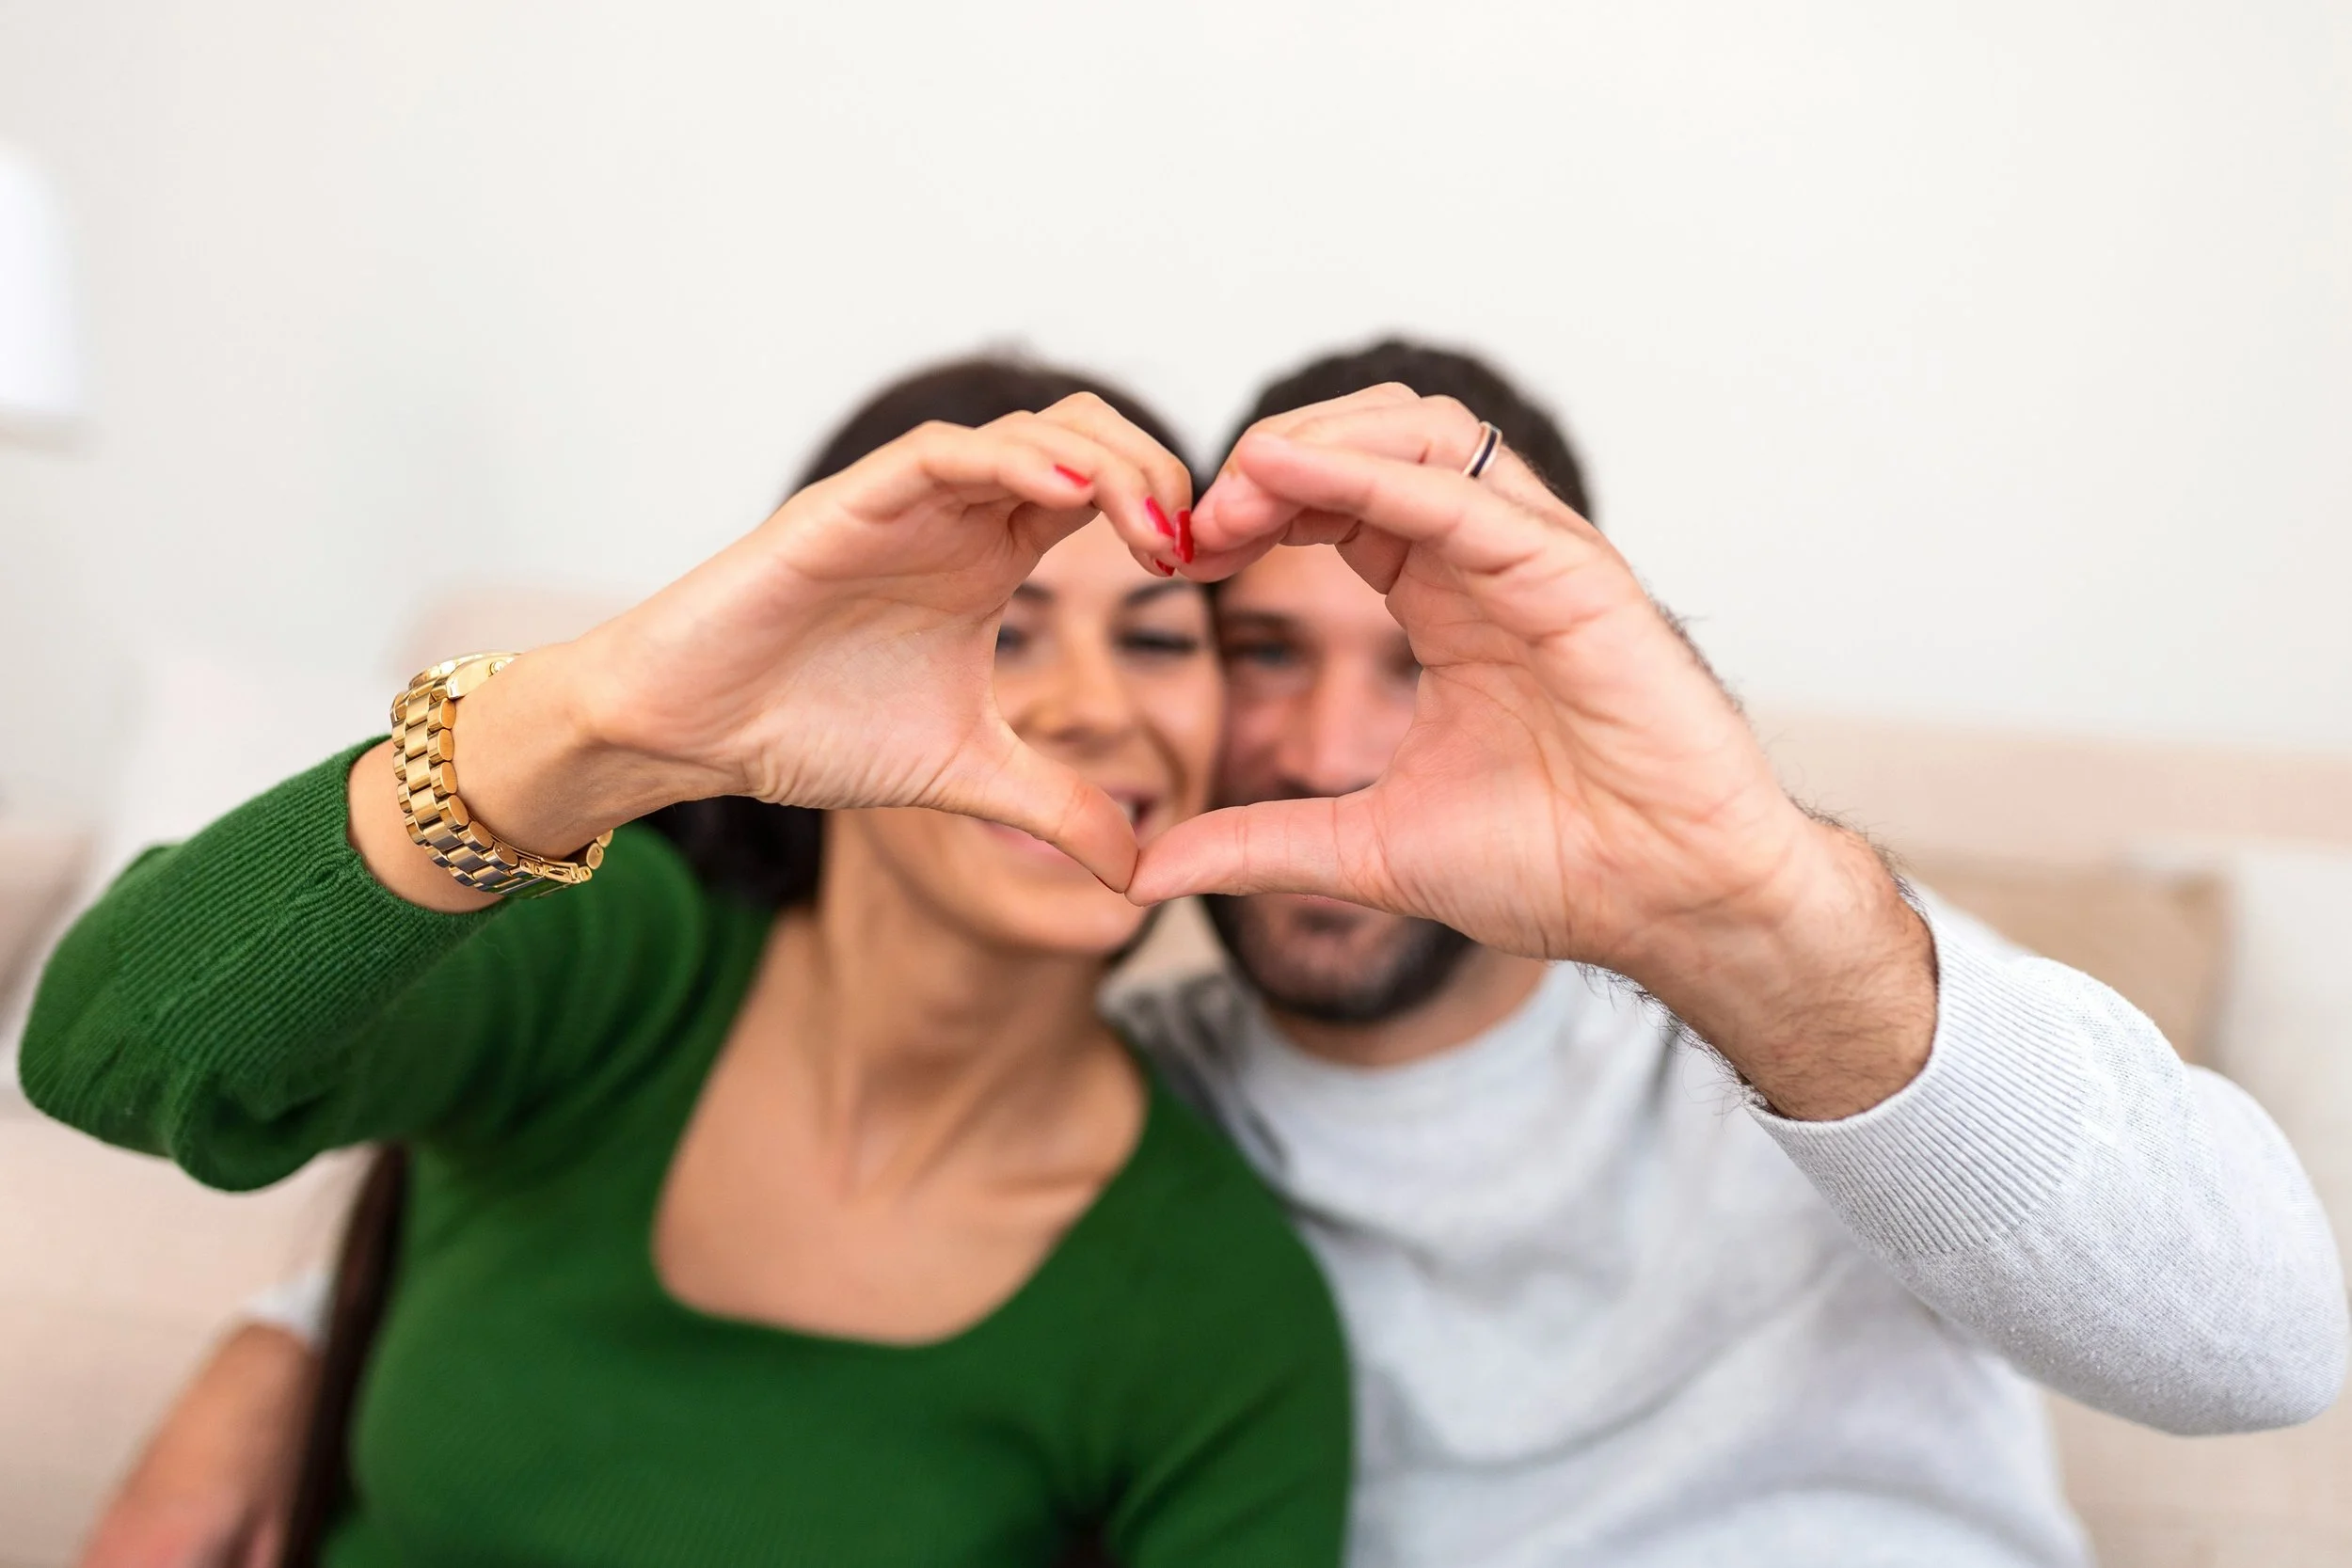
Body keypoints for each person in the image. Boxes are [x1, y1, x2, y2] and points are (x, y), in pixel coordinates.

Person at [69, 341, 2351, 1568]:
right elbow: (354, 1100)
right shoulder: (1175, 1092)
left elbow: (2267, 1340)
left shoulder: (1802, 1008)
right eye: (1254, 642)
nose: (1339, 739)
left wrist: (1728, 892)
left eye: (1430, 663)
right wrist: (306, 1314)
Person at [23, 358, 1353, 1568]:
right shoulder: (619, 967)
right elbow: (110, 1053)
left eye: (1160, 637)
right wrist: (588, 716)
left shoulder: (1217, 1301)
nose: (1096, 706)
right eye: (1001, 628)